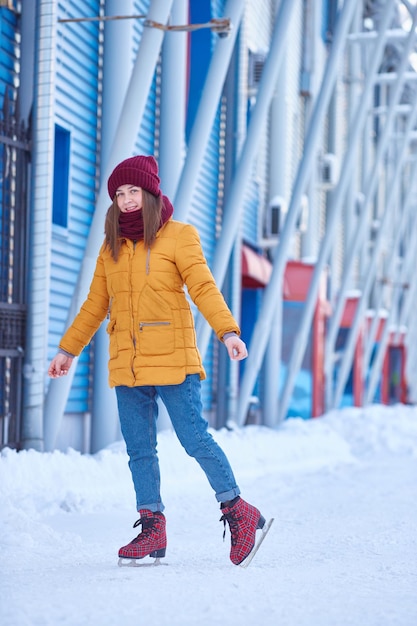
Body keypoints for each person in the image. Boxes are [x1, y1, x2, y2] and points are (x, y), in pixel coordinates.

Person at [48, 155, 266, 566]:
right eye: (119, 194)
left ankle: (239, 510)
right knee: (139, 450)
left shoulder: (178, 236)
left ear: (150, 193)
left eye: (134, 191)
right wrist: (68, 349)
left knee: (194, 439)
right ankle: (152, 527)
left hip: (172, 361)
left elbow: (202, 286)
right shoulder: (110, 248)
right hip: (127, 365)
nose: (127, 200)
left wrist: (229, 332)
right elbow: (95, 305)